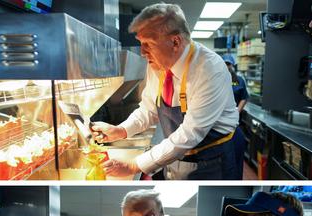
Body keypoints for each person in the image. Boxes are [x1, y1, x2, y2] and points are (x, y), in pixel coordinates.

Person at [91, 3, 242, 180]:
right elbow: (148, 109)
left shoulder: (209, 69)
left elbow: (191, 133)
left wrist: (134, 165)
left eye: (148, 44)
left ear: (175, 42)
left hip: (214, 155)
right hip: (180, 150)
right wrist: (121, 130)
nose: (142, 52)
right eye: (141, 43)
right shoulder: (158, 64)